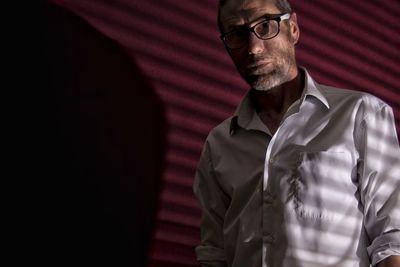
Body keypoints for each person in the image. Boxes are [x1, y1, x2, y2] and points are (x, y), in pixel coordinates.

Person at [193, 0, 400, 266]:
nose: (254, 48)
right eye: (237, 34)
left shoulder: (362, 114)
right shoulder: (218, 144)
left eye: (265, 26)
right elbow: (214, 252)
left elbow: (391, 238)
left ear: (293, 29)